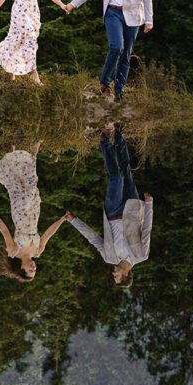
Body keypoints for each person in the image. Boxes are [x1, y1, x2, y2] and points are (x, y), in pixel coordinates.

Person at [64, 0, 153, 100]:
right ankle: (105, 83)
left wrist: (149, 19)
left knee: (126, 54)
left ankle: (119, 91)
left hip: (132, 15)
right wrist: (73, 4)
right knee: (116, 47)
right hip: (113, 13)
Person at [66, 123, 153, 287]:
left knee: (117, 178)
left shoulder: (108, 257)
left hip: (113, 212)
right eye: (117, 276)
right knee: (125, 172)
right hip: (132, 208)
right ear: (127, 274)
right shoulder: (142, 255)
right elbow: (147, 229)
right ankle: (119, 134)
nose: (113, 273)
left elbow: (93, 238)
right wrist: (149, 205)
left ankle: (105, 139)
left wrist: (73, 221)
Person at [0, 141, 66, 282]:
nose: (34, 268)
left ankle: (18, 154)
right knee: (29, 184)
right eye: (34, 271)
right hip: (34, 213)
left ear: (21, 268)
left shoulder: (13, 251)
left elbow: (4, 231)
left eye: (30, 271)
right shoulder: (37, 252)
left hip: (20, 213)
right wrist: (62, 219)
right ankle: (23, 152)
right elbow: (48, 234)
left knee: (26, 189)